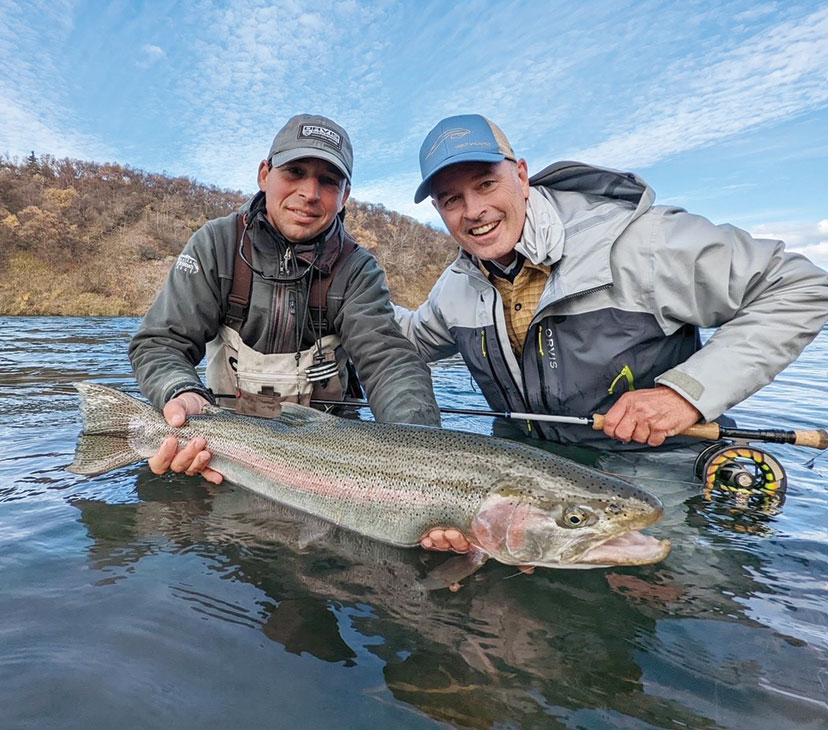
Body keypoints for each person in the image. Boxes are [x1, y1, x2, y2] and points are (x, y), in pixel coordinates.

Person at [395, 114, 828, 553]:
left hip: (666, 476)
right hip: (533, 490)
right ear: (438, 211)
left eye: (486, 184)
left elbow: (799, 286)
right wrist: (336, 293)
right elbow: (401, 339)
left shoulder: (641, 241)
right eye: (451, 199)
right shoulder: (454, 287)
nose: (473, 211)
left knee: (686, 599)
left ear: (521, 175)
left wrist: (685, 394)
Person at [130, 114, 441, 483]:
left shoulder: (357, 269)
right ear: (265, 174)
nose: (310, 193)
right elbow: (162, 343)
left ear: (344, 197)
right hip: (224, 447)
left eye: (328, 181)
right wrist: (179, 391)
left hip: (331, 456)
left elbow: (389, 363)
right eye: (295, 172)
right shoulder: (217, 244)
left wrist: (423, 458)